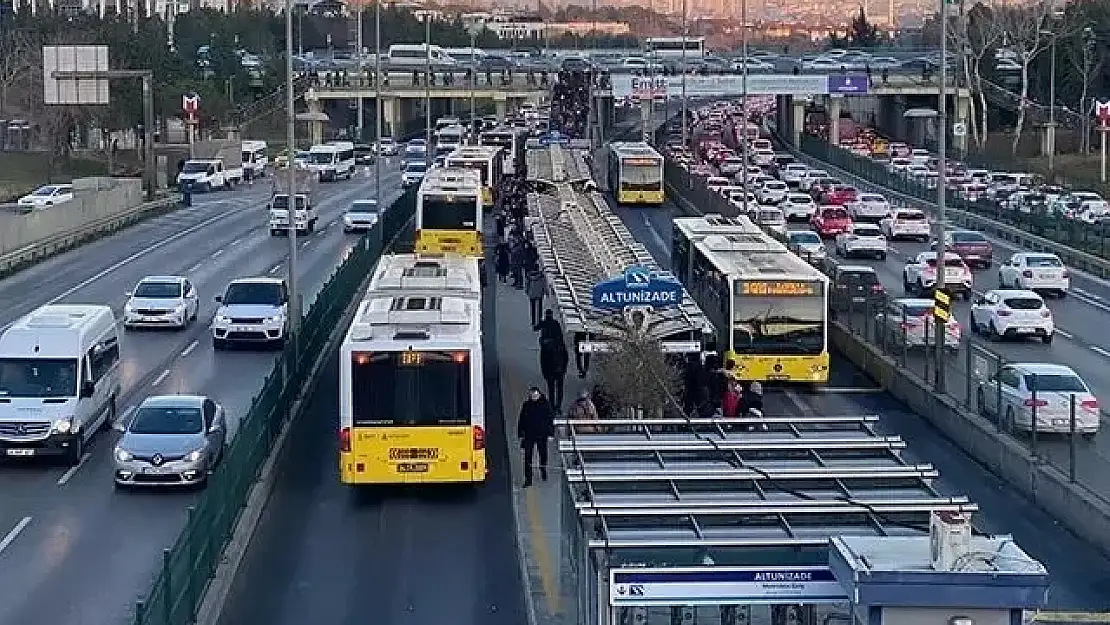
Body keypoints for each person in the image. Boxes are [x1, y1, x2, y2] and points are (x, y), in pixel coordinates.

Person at [518, 387, 555, 487]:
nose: (533, 398)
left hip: (542, 435)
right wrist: (521, 434)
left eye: (535, 396)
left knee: (543, 454)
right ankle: (528, 478)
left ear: (539, 395)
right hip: (529, 435)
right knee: (527, 457)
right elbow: (521, 420)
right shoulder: (526, 405)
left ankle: (543, 469)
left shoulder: (545, 405)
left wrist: (551, 434)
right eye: (532, 396)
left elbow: (550, 419)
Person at [540, 332, 569, 411]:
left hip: (550, 372)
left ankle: (552, 406)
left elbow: (543, 361)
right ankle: (558, 406)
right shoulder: (560, 345)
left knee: (551, 390)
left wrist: (544, 372)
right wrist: (564, 369)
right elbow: (566, 358)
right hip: (560, 371)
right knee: (559, 389)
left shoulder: (546, 347)